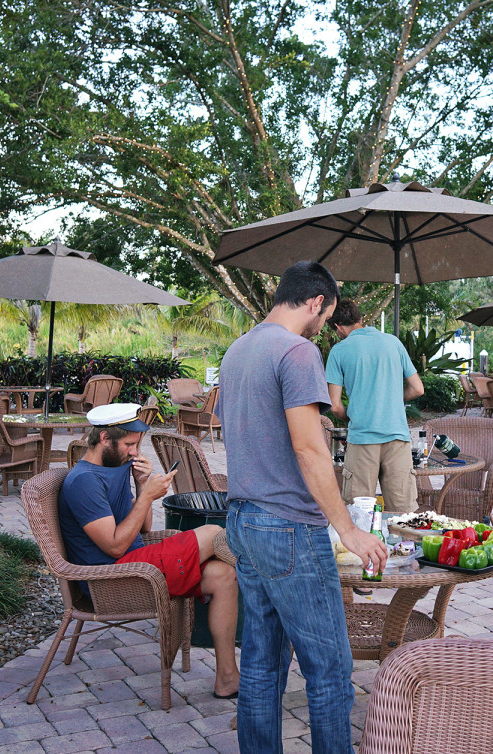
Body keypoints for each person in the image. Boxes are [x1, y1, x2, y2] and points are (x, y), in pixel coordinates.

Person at [217, 262, 388, 754]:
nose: (323, 326)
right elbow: (308, 449)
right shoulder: (297, 351)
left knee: (261, 665)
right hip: (289, 526)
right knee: (329, 670)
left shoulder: (238, 350)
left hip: (243, 521)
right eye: (326, 314)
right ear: (316, 302)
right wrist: (347, 529)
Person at [58, 403, 241, 699]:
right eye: (129, 444)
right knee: (213, 533)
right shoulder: (84, 482)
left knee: (224, 575)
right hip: (113, 578)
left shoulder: (113, 467)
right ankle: (270, 581)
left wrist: (142, 486)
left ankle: (228, 678)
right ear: (104, 438)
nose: (134, 452)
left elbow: (142, 528)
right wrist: (148, 497)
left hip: (138, 564)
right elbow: (115, 545)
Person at [325, 299, 424, 513]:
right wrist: (390, 400)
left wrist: (355, 414)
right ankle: (402, 548)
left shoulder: (339, 351)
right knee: (403, 514)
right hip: (397, 438)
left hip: (362, 441)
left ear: (338, 327)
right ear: (360, 319)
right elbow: (417, 388)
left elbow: (334, 406)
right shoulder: (393, 342)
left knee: (360, 515)